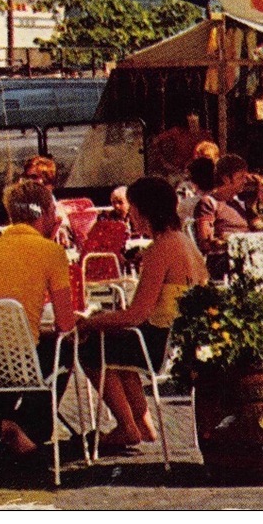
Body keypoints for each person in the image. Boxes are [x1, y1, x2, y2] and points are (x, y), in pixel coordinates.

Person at [76, 177, 207, 449]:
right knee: (114, 347)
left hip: (157, 342)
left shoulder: (160, 249)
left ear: (144, 211)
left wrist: (90, 322)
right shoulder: (184, 242)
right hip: (175, 340)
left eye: (133, 209)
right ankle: (143, 425)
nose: (131, 216)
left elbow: (137, 314)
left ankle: (127, 427)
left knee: (89, 348)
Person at [0, 179, 76, 456]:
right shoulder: (51, 252)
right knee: (66, 345)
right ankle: (30, 428)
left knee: (6, 344)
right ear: (47, 212)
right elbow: (66, 323)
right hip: (23, 361)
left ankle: (4, 419)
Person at [192, 153, 253, 278]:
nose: (245, 181)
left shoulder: (239, 203)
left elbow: (257, 227)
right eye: (241, 177)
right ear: (226, 179)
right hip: (224, 262)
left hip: (246, 257)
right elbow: (206, 243)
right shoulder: (209, 203)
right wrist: (232, 241)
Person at [147, 113, 209, 181]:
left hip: (198, 173)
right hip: (178, 172)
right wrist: (164, 162)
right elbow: (154, 141)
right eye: (189, 115)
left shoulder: (205, 134)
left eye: (195, 114)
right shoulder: (177, 131)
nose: (192, 117)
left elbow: (211, 154)